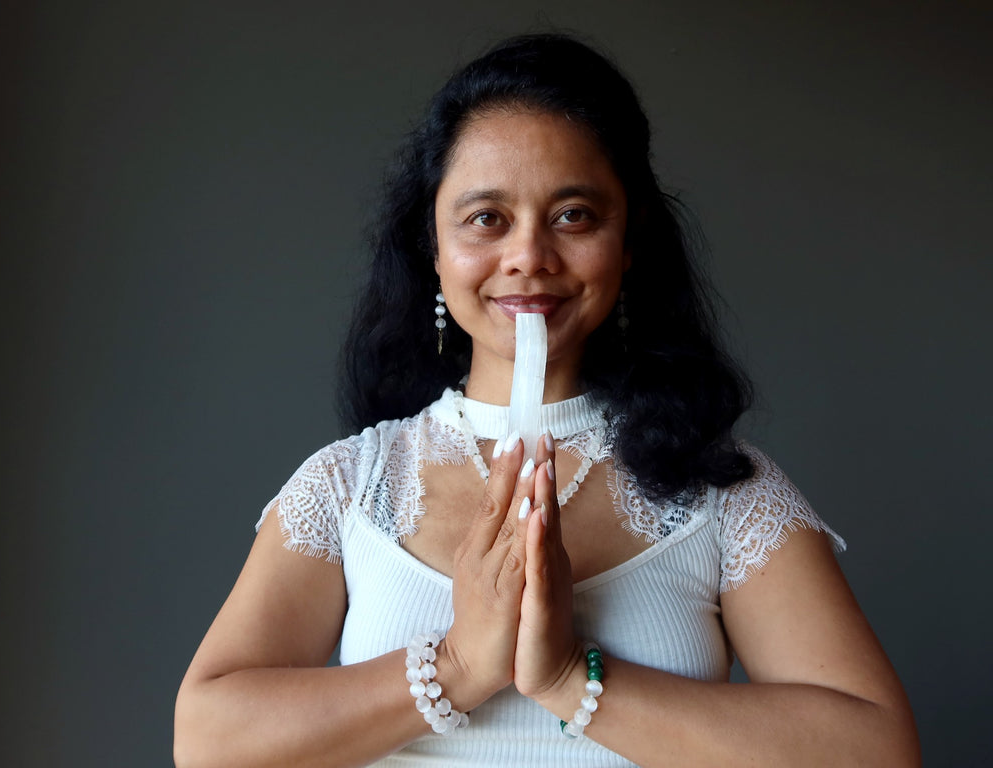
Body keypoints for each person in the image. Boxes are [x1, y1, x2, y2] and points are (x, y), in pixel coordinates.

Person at [174, 33, 920, 767]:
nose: (529, 255)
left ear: (628, 246)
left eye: (574, 216)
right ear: (433, 247)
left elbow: (876, 750)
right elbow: (207, 742)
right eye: (486, 219)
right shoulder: (351, 485)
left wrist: (572, 678)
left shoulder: (723, 490)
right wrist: (459, 666)